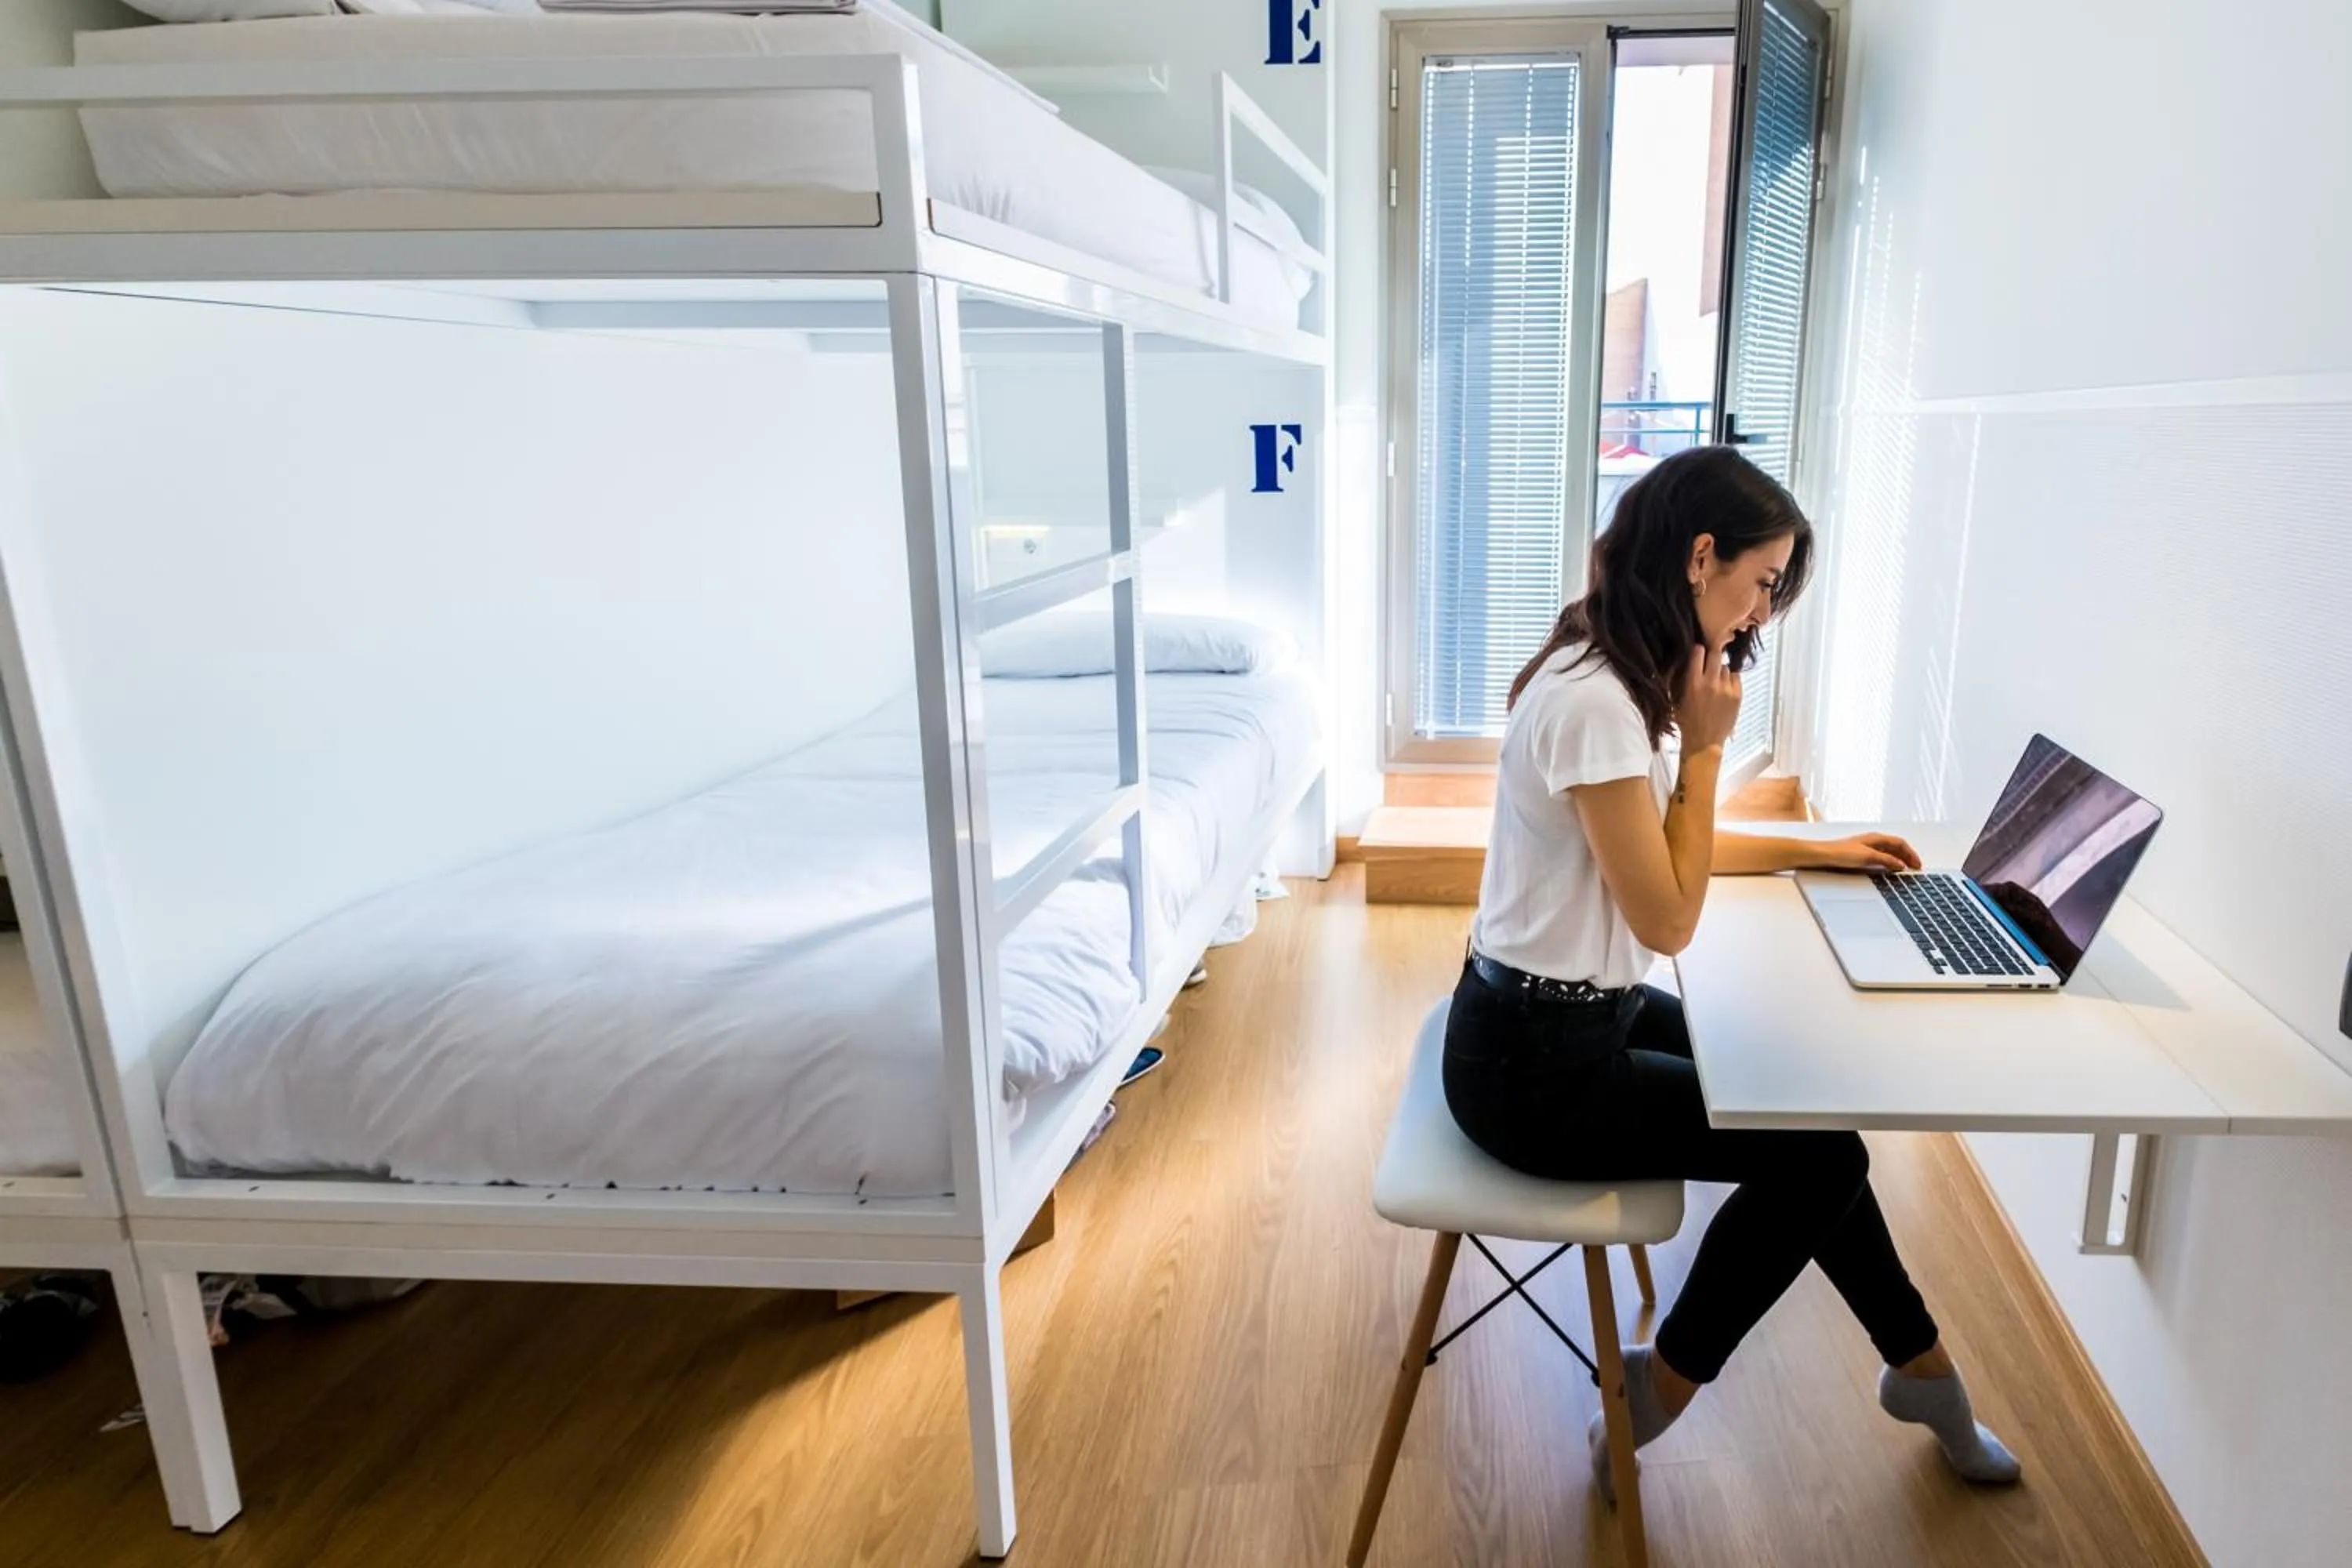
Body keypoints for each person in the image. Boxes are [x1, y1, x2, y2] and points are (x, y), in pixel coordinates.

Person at [1442, 445, 2020, 1498]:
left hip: (1566, 1016)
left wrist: (1814, 849)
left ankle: (1924, 1373)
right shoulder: (1596, 704)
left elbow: (1660, 846)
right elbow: (1669, 915)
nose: (1761, 614)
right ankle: (1665, 1389)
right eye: (1763, 582)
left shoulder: (1607, 659)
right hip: (1533, 1075)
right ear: (1701, 556)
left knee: (1813, 1124)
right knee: (1820, 1160)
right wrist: (1707, 753)